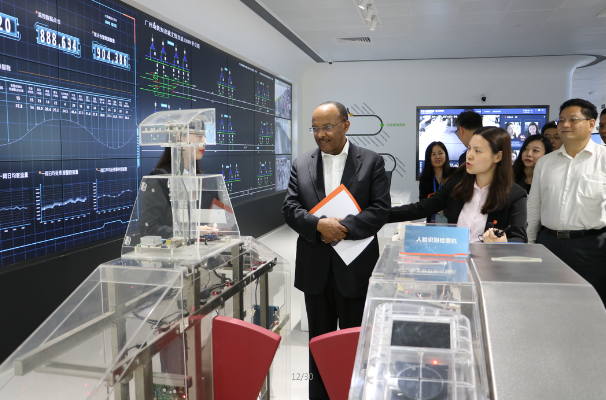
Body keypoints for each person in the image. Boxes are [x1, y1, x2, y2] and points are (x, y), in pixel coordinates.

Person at [282, 101, 390, 400]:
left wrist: (341, 228)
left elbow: (380, 210)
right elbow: (290, 209)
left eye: (327, 127)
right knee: (318, 346)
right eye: (315, 128)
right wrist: (318, 226)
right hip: (315, 271)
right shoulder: (301, 163)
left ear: (346, 125)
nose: (320, 134)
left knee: (355, 346)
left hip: (355, 270)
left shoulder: (371, 161)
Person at [527, 98, 606, 304]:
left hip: (590, 247)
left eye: (572, 119)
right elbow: (534, 206)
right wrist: (530, 243)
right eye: (561, 120)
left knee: (589, 305)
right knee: (546, 302)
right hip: (548, 244)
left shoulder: (603, 158)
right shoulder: (545, 163)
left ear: (591, 124)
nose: (565, 124)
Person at [389, 126, 527, 243]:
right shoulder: (458, 184)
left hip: (487, 264)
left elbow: (519, 239)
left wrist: (503, 241)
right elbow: (422, 208)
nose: (469, 155)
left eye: (477, 151)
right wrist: (381, 214)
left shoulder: (515, 195)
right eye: (469, 148)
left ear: (498, 157)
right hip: (454, 261)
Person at [419, 141, 452, 222]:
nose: (437, 157)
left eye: (440, 153)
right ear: (428, 157)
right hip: (431, 222)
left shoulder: (454, 175)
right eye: (433, 154)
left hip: (452, 222)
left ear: (446, 155)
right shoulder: (425, 179)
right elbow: (423, 202)